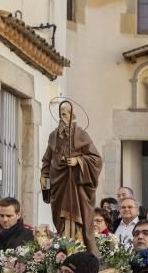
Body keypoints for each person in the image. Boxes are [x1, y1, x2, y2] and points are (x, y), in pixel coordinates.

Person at [41, 101, 104, 253]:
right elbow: (47, 159)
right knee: (60, 219)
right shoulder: (53, 137)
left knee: (78, 219)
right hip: (59, 183)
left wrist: (78, 161)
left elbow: (96, 159)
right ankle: (64, 248)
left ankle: (78, 248)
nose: (64, 117)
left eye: (67, 114)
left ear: (72, 116)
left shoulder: (82, 135)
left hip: (76, 185)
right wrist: (44, 175)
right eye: (62, 114)